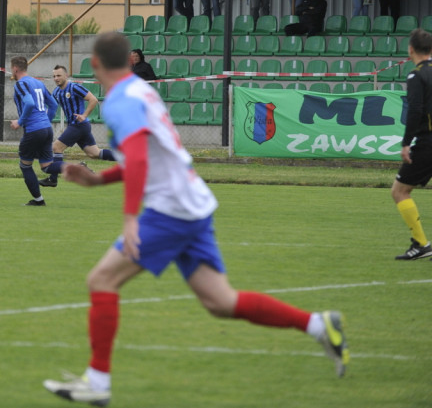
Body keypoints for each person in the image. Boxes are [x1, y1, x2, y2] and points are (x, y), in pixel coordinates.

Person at [42, 32, 348, 406]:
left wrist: (129, 218)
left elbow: (139, 159)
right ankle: (319, 325)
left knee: (102, 280)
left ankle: (98, 382)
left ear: (94, 65)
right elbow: (152, 156)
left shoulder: (122, 100)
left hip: (170, 208)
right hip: (192, 204)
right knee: (221, 301)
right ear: (130, 60)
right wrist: (98, 179)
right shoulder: (143, 92)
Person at [390, 28, 432, 260]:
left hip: (428, 142)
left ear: (411, 49)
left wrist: (406, 143)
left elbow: (415, 110)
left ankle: (421, 244)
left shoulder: (416, 75)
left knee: (400, 191)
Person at [40, 65, 116, 188]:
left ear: (66, 76)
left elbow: (93, 100)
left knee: (56, 148)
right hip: (78, 127)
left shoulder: (74, 87)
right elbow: (51, 106)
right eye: (54, 76)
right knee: (94, 153)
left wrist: (84, 115)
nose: (56, 78)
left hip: (79, 125)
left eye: (59, 75)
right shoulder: (57, 92)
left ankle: (53, 179)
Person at [10, 56, 61, 206]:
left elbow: (30, 103)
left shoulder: (20, 84)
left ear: (15, 69)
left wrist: (19, 122)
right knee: (47, 167)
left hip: (33, 130)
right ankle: (77, 168)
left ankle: (39, 200)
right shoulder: (38, 82)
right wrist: (45, 121)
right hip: (46, 129)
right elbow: (53, 105)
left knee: (25, 165)